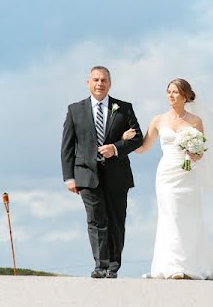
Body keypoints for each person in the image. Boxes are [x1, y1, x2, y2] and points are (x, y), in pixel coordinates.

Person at [122, 77, 213, 280]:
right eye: (169, 91)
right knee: (171, 215)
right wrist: (125, 142)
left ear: (186, 96)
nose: (171, 95)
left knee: (191, 217)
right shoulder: (158, 120)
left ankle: (196, 264)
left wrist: (193, 152)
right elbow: (143, 147)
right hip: (167, 174)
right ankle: (172, 266)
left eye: (176, 92)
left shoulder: (195, 121)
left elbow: (200, 153)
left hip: (189, 174)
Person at [61, 66, 143, 279]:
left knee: (116, 220)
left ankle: (113, 266)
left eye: (104, 80)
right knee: (96, 220)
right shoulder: (75, 109)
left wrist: (115, 148)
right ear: (88, 82)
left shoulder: (123, 108)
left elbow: (137, 138)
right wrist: (69, 178)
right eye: (96, 80)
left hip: (117, 176)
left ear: (110, 83)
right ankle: (100, 265)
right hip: (86, 175)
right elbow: (67, 146)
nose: (100, 84)